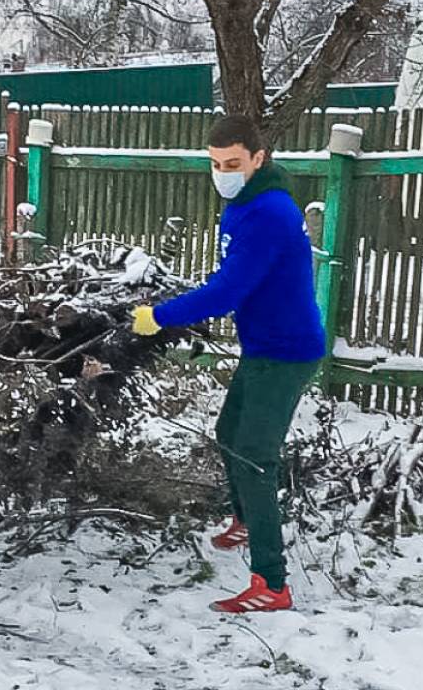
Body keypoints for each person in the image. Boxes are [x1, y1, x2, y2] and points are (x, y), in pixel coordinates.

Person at [132, 114, 325, 613]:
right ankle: (246, 521)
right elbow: (237, 279)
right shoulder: (246, 204)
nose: (223, 173)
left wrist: (161, 316)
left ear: (259, 159)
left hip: (285, 352)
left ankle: (272, 584)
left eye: (233, 163)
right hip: (265, 345)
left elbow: (228, 291)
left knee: (254, 456)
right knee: (229, 432)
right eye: (215, 164)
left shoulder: (270, 214)